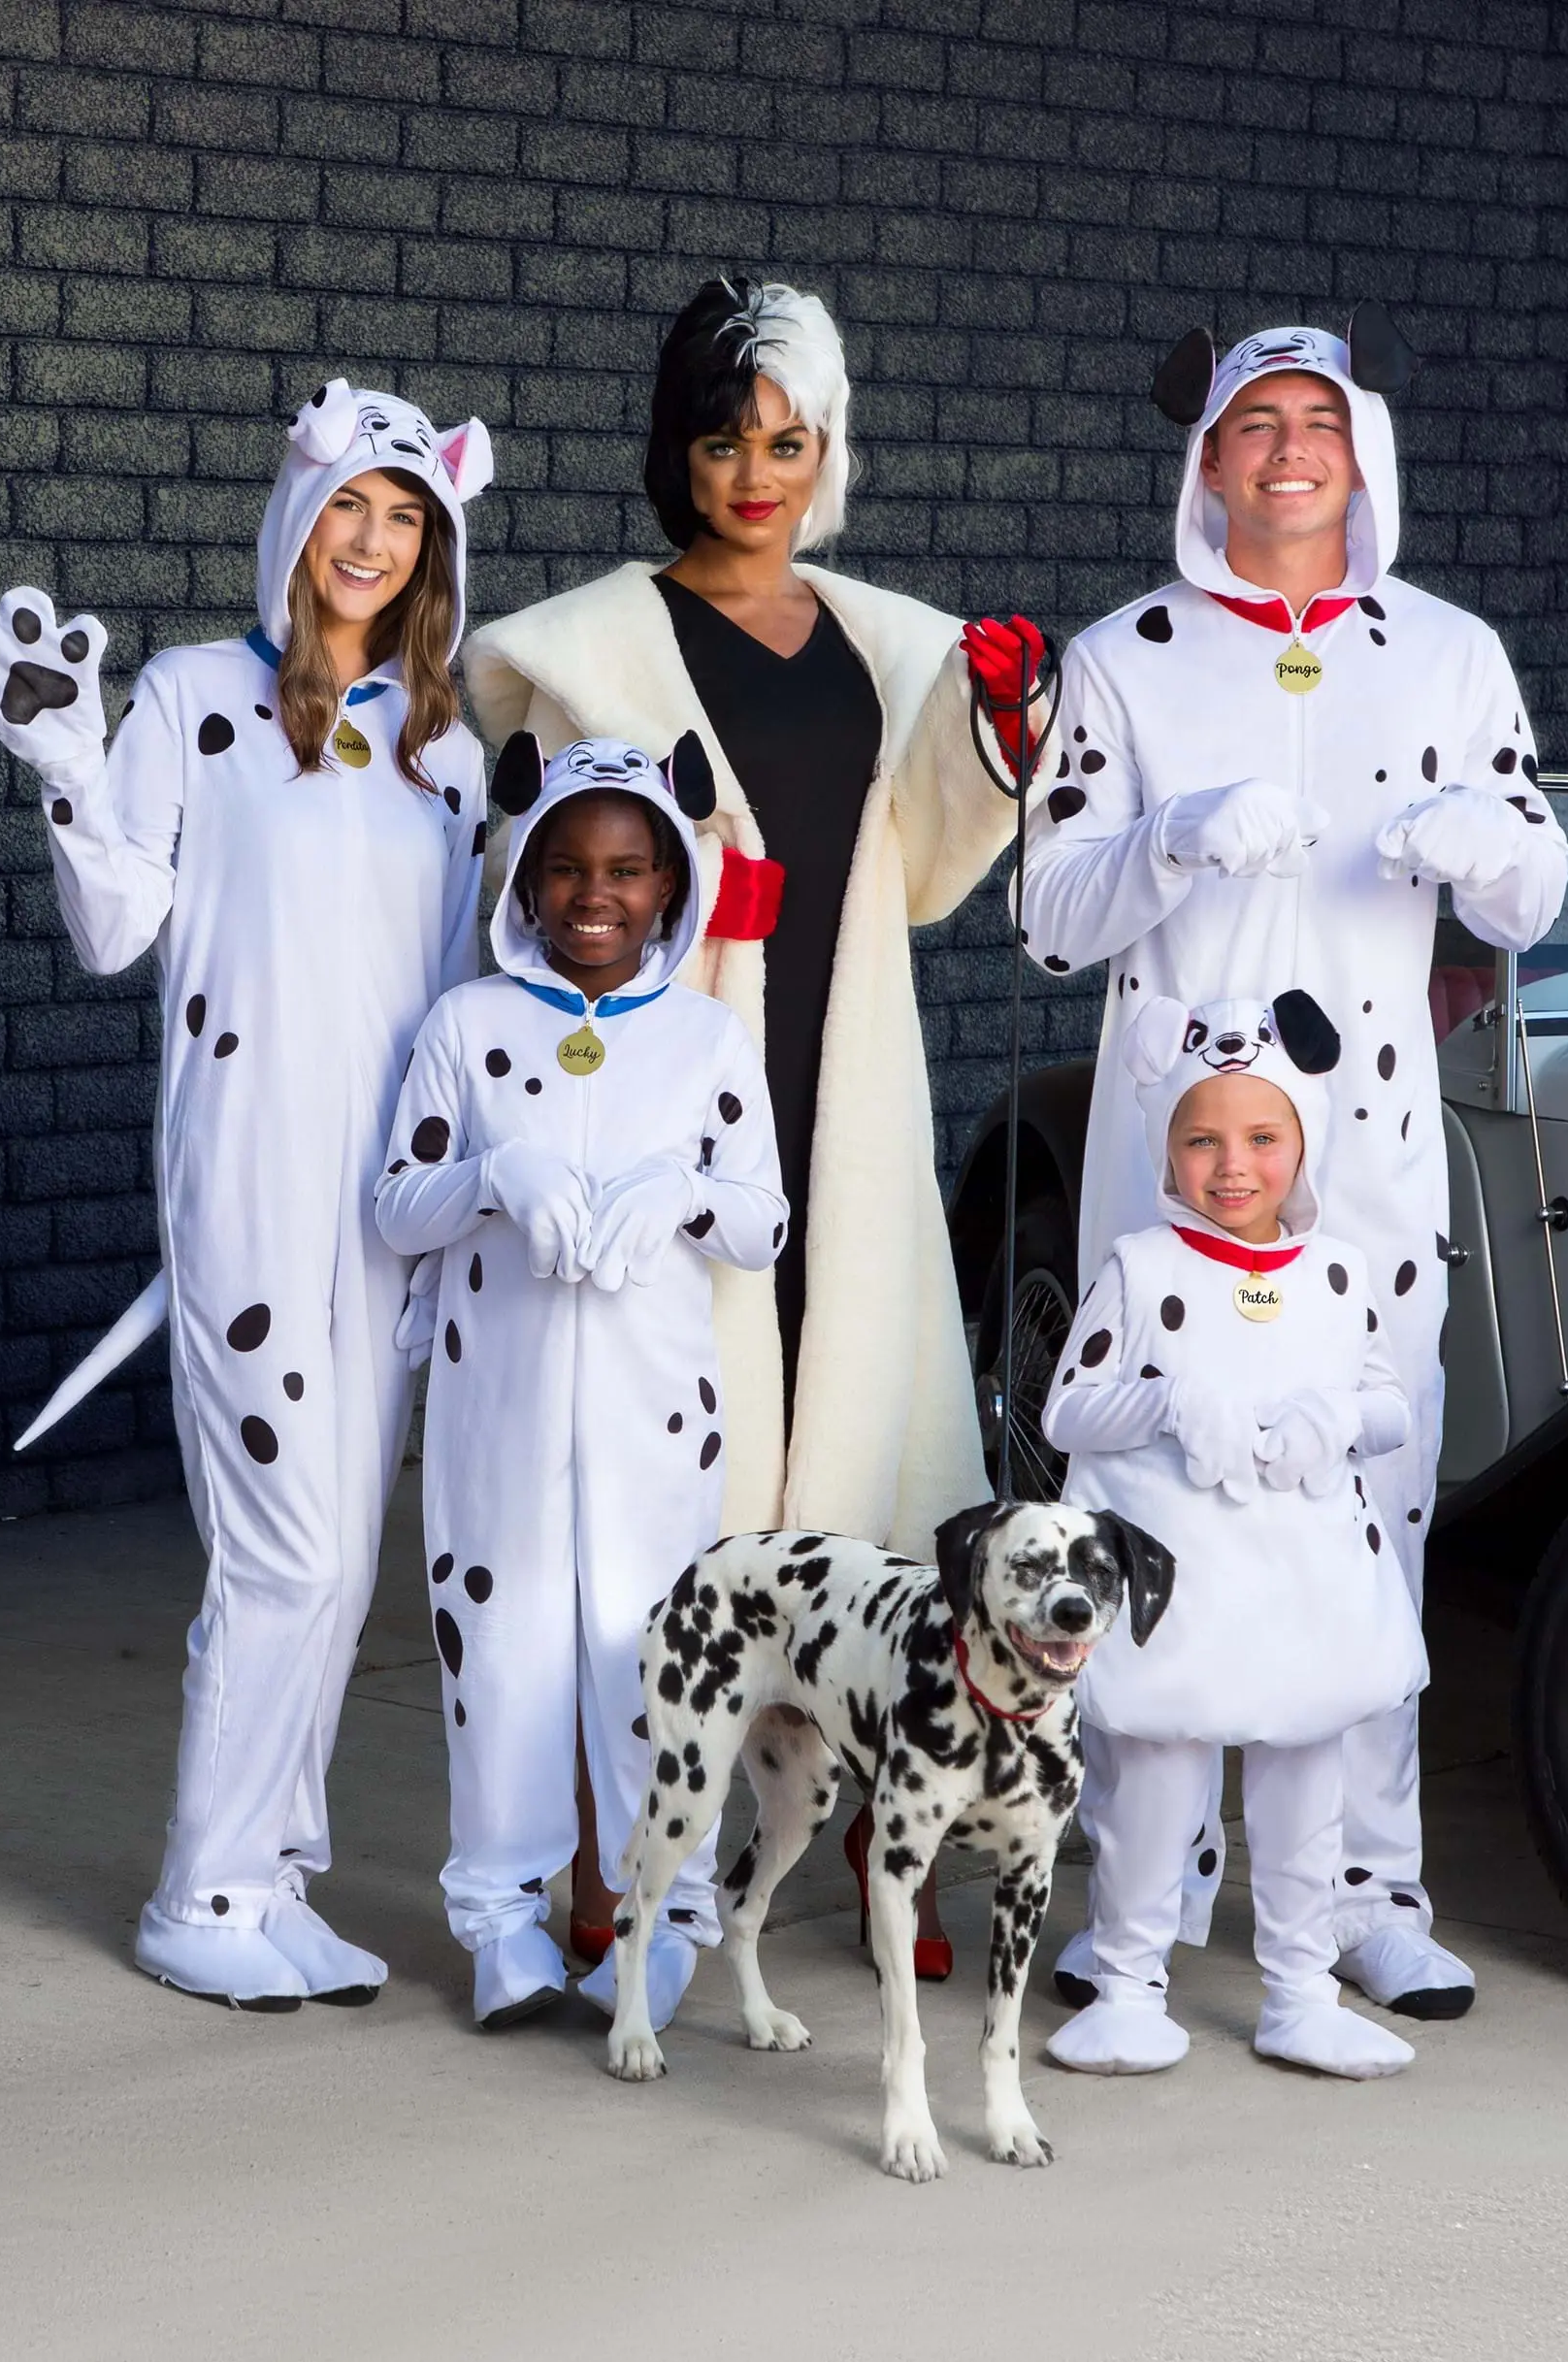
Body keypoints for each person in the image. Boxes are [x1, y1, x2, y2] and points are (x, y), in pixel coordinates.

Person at [1009, 307, 1568, 2018]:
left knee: (1365, 1505)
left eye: (1314, 420)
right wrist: (1171, 840)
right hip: (1168, 1159)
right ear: (1208, 461)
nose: (1286, 450)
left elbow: (1533, 890)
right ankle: (1148, 1892)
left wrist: (1486, 853)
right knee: (1148, 1492)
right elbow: (1049, 915)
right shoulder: (1125, 657)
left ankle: (1369, 1895)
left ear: (1360, 450)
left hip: (1371, 1162)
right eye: (1254, 423)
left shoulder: (1451, 655)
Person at [465, 276, 1028, 1974]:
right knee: (658, 1481)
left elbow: (925, 865)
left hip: (838, 1080)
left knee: (855, 1420)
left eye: (788, 442)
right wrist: (701, 903)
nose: (756, 476)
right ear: (678, 453)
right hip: (666, 1078)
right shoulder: (592, 650)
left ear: (828, 450)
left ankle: (870, 1819)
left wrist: (999, 736)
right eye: (724, 442)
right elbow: (532, 882)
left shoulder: (885, 644)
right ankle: (620, 1845)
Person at [0, 380, 494, 2010]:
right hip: (247, 1186)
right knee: (287, 1553)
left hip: (387, 1210)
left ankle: (273, 1875)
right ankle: (199, 1892)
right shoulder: (192, 697)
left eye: (406, 519)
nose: (372, 543)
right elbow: (117, 927)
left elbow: (455, 990)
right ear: (297, 516)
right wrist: (65, 758)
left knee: (341, 1564)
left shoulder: (445, 753)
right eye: (351, 509)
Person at [375, 734, 787, 2031]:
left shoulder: (706, 1039)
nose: (591, 895)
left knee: (651, 1660)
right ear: (526, 879)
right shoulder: (468, 1025)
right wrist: (492, 1177)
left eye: (622, 869)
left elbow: (762, 1222)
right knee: (497, 1661)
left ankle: (663, 1922)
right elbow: (398, 1205)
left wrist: (683, 1192)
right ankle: (500, 1923)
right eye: (563, 867)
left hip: (656, 1421)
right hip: (493, 1412)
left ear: (667, 884)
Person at [1043, 990, 1425, 2080]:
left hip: (1304, 1587)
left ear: (1302, 1142)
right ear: (1167, 1148)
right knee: (1154, 1791)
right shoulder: (1142, 1267)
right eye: (1201, 1139)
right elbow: (1068, 1409)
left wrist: (1336, 1419)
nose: (1233, 1166)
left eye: (1262, 1137)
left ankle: (1300, 1992)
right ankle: (1127, 1983)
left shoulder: (1338, 1274)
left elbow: (1388, 1405)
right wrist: (1166, 1402)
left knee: (1305, 1793)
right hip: (1182, 1592)